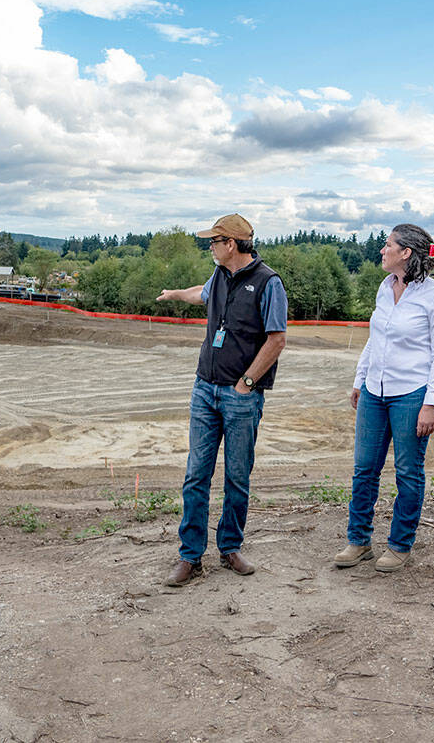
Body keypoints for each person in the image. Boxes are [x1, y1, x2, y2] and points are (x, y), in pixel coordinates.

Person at [156, 214, 288, 587]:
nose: (209, 247)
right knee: (196, 474)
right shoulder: (219, 276)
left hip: (240, 397)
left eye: (213, 242)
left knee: (236, 476)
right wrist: (174, 295)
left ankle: (230, 547)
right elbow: (202, 293)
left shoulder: (268, 283)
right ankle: (190, 557)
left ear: (230, 244)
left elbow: (277, 340)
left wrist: (247, 383)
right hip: (205, 389)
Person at [334, 224, 434, 573]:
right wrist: (361, 379)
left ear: (406, 254)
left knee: (408, 473)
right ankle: (358, 542)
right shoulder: (385, 289)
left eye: (388, 245)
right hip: (375, 390)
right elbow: (376, 339)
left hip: (412, 395)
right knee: (364, 469)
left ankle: (400, 545)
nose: (382, 250)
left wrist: (431, 402)